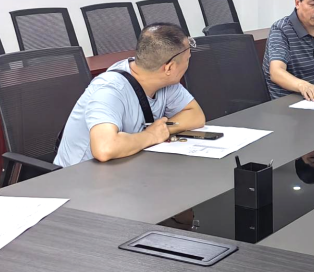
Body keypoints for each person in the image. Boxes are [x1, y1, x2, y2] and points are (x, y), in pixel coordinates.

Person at [54, 23, 205, 167]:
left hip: (125, 167)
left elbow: (195, 116)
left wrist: (161, 129)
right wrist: (151, 136)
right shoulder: (109, 89)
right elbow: (104, 148)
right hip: (78, 176)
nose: (188, 64)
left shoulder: (163, 79)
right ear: (169, 68)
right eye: (187, 59)